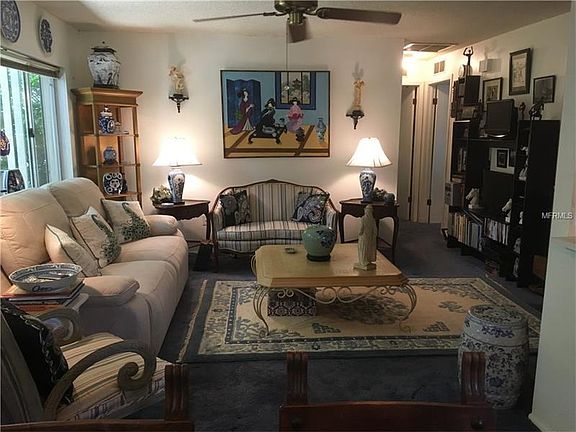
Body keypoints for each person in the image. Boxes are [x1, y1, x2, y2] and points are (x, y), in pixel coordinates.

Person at [354, 205, 377, 270]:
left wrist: (359, 234)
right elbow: (375, 230)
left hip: (363, 237)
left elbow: (361, 229)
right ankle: (367, 261)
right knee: (368, 249)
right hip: (370, 237)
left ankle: (363, 261)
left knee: (363, 249)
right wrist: (374, 236)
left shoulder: (363, 219)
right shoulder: (372, 219)